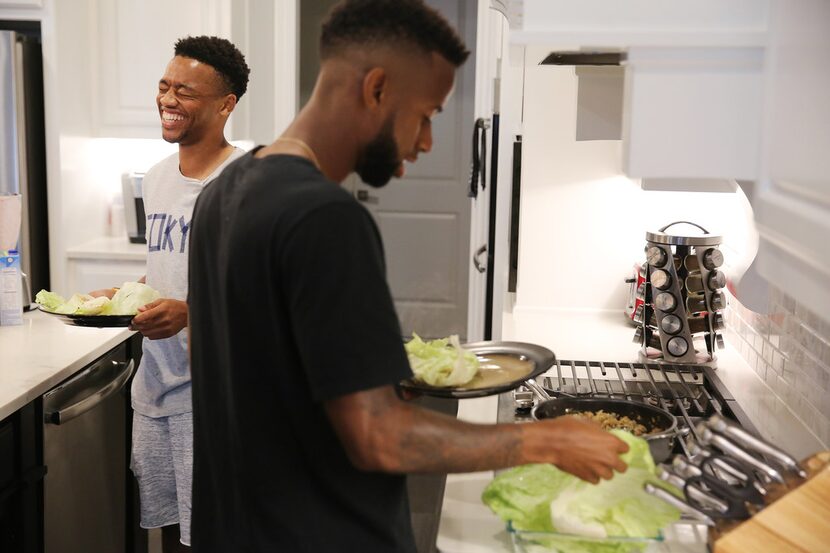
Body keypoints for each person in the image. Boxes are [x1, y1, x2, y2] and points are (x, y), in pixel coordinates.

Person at [187, 2, 628, 552]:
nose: (424, 143)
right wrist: (545, 439)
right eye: (427, 115)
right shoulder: (326, 218)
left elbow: (257, 368)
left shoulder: (221, 194)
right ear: (376, 89)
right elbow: (380, 438)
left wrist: (377, 376)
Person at [92, 36, 250, 552]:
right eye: (164, 86)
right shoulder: (157, 179)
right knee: (168, 534)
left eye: (185, 91)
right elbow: (169, 272)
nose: (168, 100)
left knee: (216, 535)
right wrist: (125, 295)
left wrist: (191, 313)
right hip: (156, 386)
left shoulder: (248, 183)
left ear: (226, 105)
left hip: (217, 396)